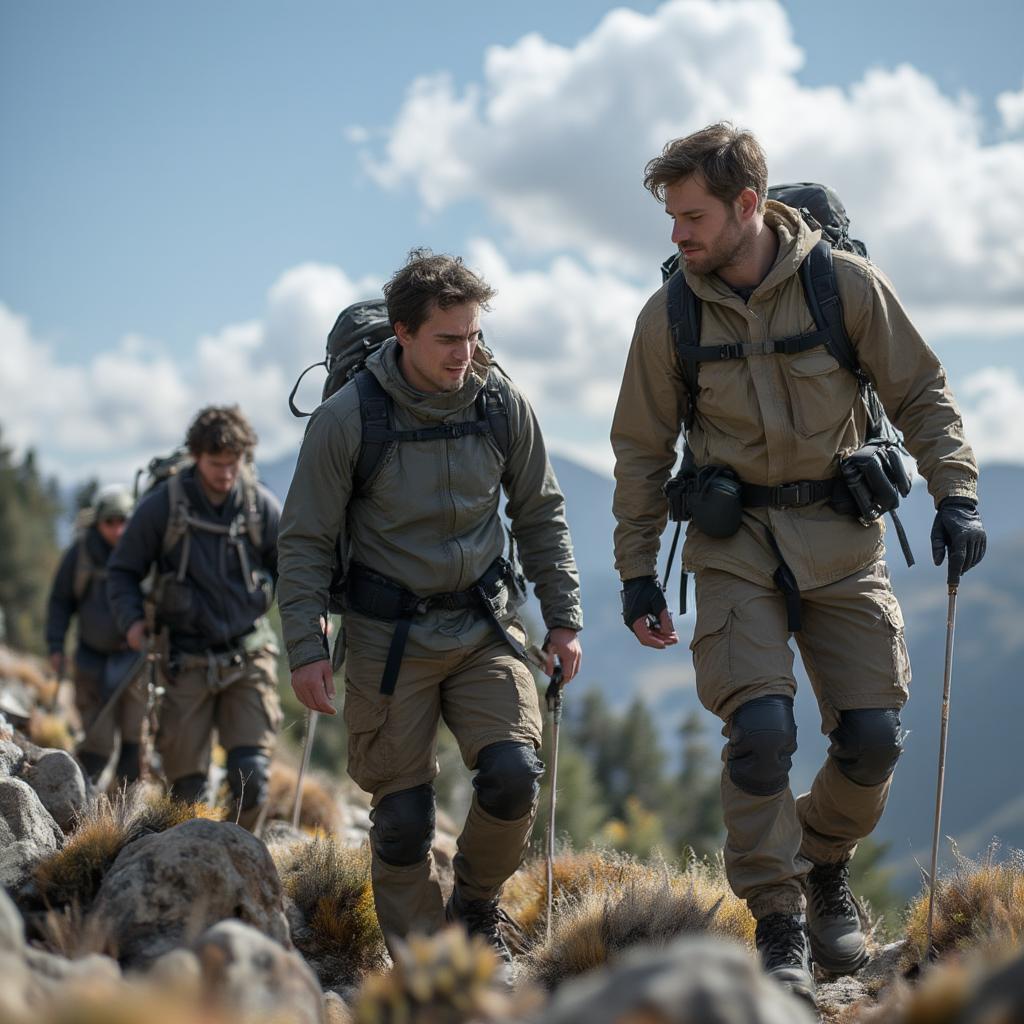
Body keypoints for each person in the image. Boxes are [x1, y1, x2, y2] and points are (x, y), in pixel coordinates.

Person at [611, 123, 986, 1003]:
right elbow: (639, 451)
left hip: (842, 541)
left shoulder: (844, 287)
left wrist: (956, 494)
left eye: (692, 215)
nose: (678, 236)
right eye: (671, 217)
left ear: (749, 204)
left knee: (870, 740)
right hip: (731, 545)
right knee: (762, 737)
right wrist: (636, 572)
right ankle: (777, 919)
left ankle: (821, 862)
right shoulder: (670, 315)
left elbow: (923, 393)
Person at [277, 249, 583, 977]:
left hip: (485, 628)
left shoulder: (499, 401)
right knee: (405, 816)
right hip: (390, 640)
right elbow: (306, 539)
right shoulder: (348, 419)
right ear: (403, 333)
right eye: (449, 339)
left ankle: (475, 907)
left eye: (474, 336)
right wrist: (305, 644)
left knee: (513, 775)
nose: (465, 354)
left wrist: (563, 617)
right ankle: (424, 967)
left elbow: (541, 512)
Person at [107, 405, 282, 830]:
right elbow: (123, 571)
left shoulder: (259, 508)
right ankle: (192, 861)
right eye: (216, 463)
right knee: (186, 792)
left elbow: (292, 569)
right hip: (185, 662)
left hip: (248, 655)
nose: (226, 474)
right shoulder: (162, 507)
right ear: (195, 456)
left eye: (234, 463)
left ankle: (243, 858)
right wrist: (132, 621)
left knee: (252, 779)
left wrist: (317, 617)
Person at [46, 484, 145, 786]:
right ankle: (80, 811)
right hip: (91, 663)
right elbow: (61, 601)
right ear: (97, 521)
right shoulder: (81, 554)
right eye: (110, 522)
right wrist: (55, 645)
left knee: (134, 746)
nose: (118, 530)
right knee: (96, 747)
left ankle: (122, 820)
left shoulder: (145, 552)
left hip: (134, 665)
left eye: (124, 521)